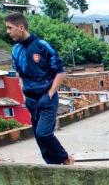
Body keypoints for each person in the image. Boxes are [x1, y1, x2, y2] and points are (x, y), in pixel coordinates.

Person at [5, 13, 73, 166]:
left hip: (46, 97)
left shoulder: (42, 46)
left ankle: (66, 159)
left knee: (44, 134)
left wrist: (49, 94)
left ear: (21, 28)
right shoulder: (15, 50)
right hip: (31, 99)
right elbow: (20, 75)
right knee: (38, 138)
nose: (8, 32)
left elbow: (60, 73)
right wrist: (24, 94)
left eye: (10, 28)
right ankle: (53, 167)